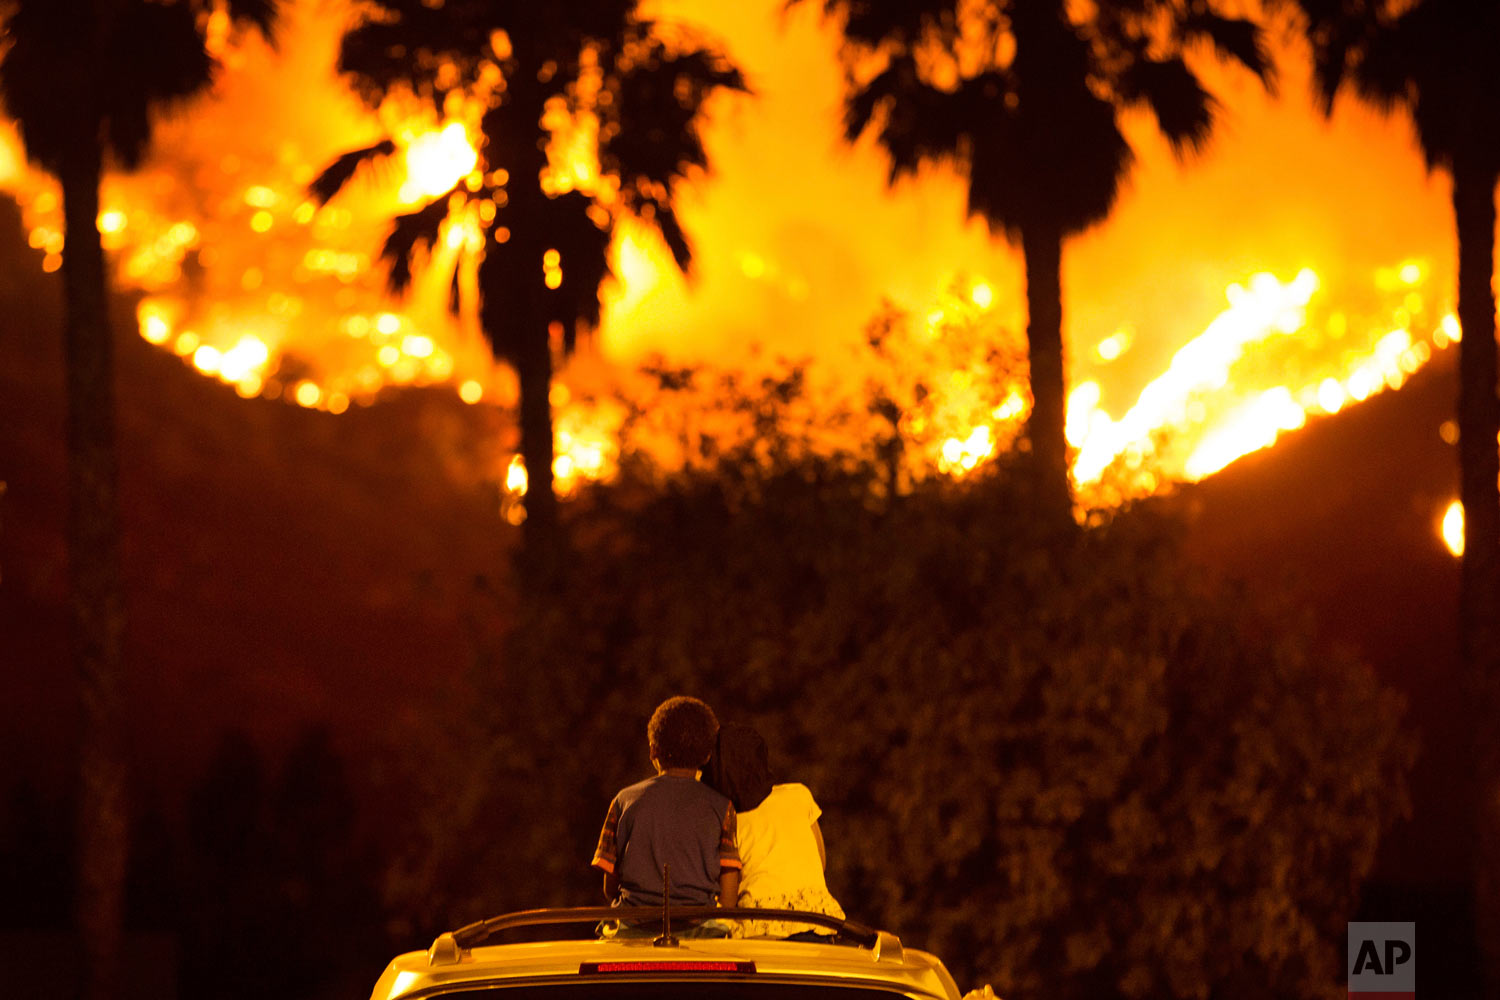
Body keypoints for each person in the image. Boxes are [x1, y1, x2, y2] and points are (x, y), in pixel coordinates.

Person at [591, 696, 741, 922]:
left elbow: (609, 888)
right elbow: (729, 895)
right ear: (707, 755)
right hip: (698, 928)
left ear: (653, 751)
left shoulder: (624, 801)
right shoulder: (722, 807)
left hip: (633, 926)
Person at [703, 723, 845, 938]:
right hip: (819, 920)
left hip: (762, 928)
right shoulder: (798, 795)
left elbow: (728, 899)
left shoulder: (728, 819)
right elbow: (820, 861)